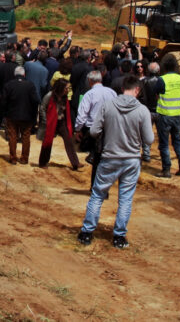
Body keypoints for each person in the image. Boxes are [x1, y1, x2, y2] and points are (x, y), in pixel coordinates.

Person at [77, 75, 154, 249]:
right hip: (131, 159)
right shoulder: (142, 111)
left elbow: (95, 131)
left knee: (97, 195)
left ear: (122, 89)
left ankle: (87, 232)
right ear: (137, 90)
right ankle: (119, 236)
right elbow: (149, 139)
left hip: (109, 157)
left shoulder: (107, 106)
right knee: (125, 199)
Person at [74, 71, 117, 185]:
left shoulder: (89, 94)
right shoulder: (112, 92)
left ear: (89, 81)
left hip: (93, 129)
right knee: (105, 158)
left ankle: (96, 186)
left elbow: (82, 114)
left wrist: (78, 129)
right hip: (109, 128)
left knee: (96, 158)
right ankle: (103, 185)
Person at [154, 66, 180, 178]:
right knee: (177, 141)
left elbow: (156, 93)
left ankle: (166, 170)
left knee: (164, 144)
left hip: (164, 115)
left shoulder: (162, 79)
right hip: (177, 116)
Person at [38, 79, 81, 170]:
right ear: (61, 87)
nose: (68, 90)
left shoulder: (65, 97)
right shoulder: (49, 96)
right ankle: (43, 162)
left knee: (68, 140)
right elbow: (42, 108)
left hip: (61, 121)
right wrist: (46, 121)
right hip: (51, 122)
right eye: (66, 88)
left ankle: (75, 163)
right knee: (47, 142)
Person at [2, 66, 40, 164]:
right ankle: (24, 158)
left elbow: (3, 101)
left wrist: (5, 114)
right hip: (27, 116)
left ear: (15, 74)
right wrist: (34, 115)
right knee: (26, 137)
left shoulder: (9, 85)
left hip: (12, 115)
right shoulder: (30, 85)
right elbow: (35, 101)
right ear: (24, 74)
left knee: (12, 136)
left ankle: (13, 158)